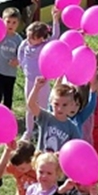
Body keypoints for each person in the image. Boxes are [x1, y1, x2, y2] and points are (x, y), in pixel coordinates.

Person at [17, 9, 61, 140]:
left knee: (42, 107)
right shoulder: (25, 43)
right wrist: (22, 64)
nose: (28, 39)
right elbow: (20, 52)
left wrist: (55, 20)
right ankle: (29, 131)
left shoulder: (44, 45)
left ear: (41, 39)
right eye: (28, 36)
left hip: (43, 81)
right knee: (29, 106)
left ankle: (43, 130)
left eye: (32, 38)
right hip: (30, 80)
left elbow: (55, 37)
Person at [27, 77, 81, 153]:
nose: (59, 108)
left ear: (71, 105)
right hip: (41, 159)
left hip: (58, 160)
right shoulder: (45, 117)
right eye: (56, 104)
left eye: (64, 105)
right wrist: (36, 88)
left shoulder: (72, 128)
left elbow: (76, 149)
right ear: (51, 103)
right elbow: (31, 104)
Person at [0, 7, 22, 108]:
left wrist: (18, 61)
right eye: (8, 22)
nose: (11, 25)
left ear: (18, 23)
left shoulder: (18, 39)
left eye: (14, 22)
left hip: (10, 72)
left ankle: (7, 114)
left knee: (8, 96)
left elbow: (22, 55)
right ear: (2, 21)